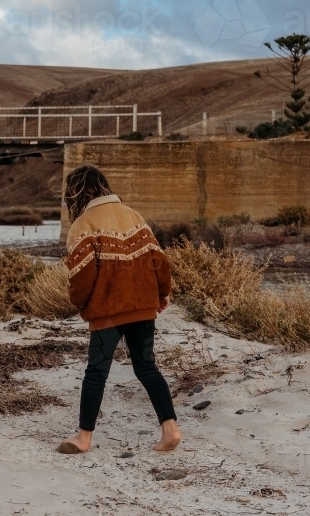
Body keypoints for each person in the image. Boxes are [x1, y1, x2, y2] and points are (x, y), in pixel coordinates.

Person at [57, 164, 180, 454]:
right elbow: (159, 262)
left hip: (107, 311)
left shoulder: (83, 224)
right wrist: (162, 294)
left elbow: (82, 279)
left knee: (96, 372)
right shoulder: (134, 216)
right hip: (143, 307)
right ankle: (171, 430)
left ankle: (84, 439)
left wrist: (79, 302)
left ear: (76, 193)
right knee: (147, 368)